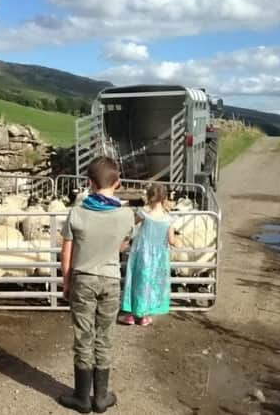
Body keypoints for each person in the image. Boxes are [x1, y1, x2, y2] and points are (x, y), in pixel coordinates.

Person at [59, 156, 135, 414]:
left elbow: (66, 252)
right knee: (104, 337)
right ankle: (101, 398)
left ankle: (82, 398)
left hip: (83, 278)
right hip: (111, 280)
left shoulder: (77, 213)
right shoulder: (127, 215)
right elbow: (124, 244)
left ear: (89, 183)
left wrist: (66, 282)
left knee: (83, 336)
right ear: (118, 183)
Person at [119, 184, 177, 326]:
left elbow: (131, 225)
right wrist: (179, 241)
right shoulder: (169, 219)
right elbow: (171, 240)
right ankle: (144, 315)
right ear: (164, 198)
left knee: (137, 281)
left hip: (141, 253)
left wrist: (126, 238)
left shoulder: (143, 214)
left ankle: (132, 314)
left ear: (149, 197)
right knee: (151, 283)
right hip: (158, 256)